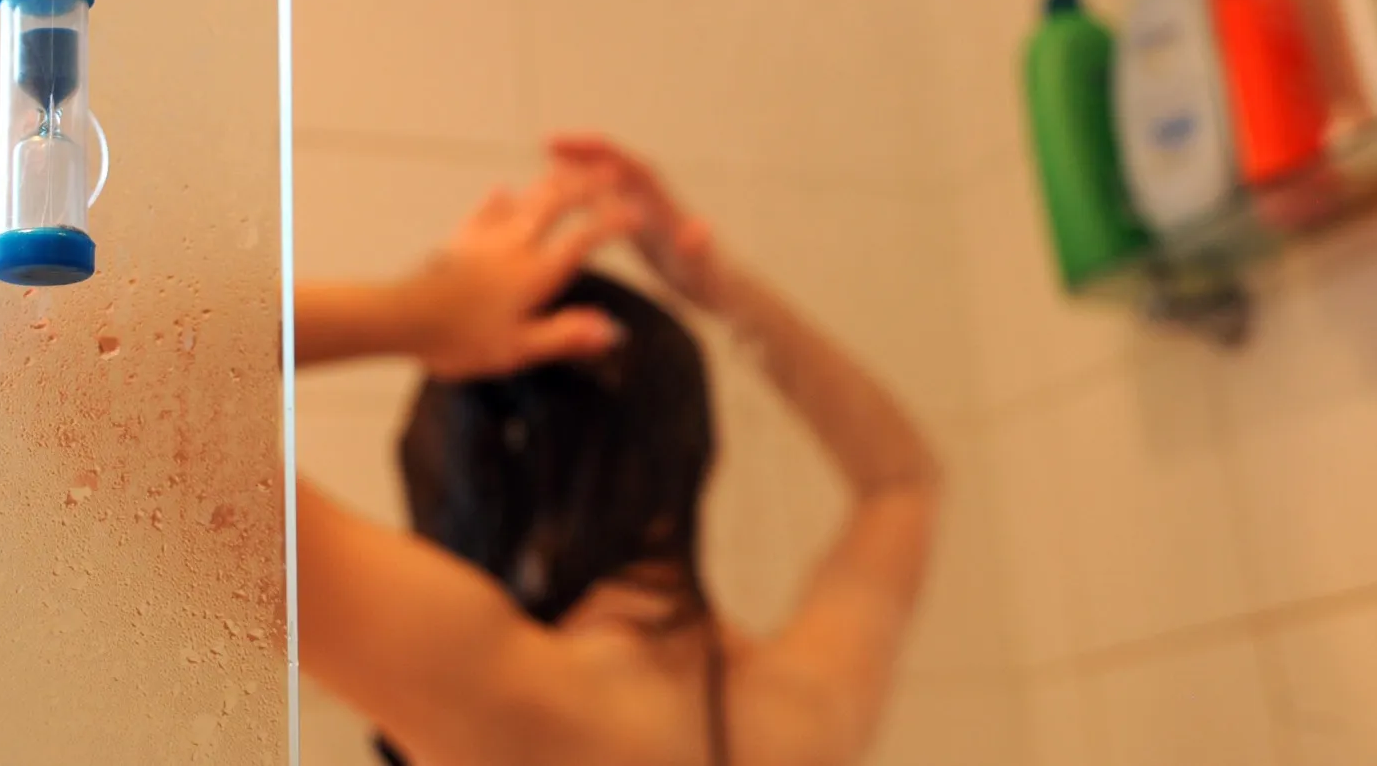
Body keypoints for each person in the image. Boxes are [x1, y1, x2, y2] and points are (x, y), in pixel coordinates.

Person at [296, 135, 941, 766]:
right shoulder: (796, 712)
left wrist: (420, 312)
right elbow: (901, 480)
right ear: (687, 442)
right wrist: (717, 289)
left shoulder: (497, 695)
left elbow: (221, 399)